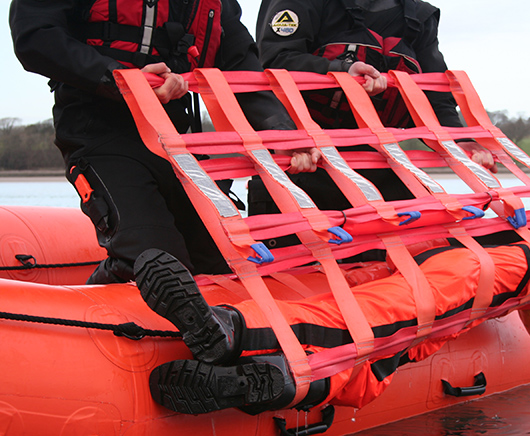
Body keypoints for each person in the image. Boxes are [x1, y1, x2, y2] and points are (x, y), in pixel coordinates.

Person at [9, 0, 319, 285]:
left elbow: (240, 65)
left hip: (175, 140)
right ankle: (83, 317)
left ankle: (224, 334)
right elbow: (35, 36)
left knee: (220, 264)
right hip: (98, 129)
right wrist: (119, 79)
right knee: (157, 262)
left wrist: (280, 131)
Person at [249, 0, 495, 214]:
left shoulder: (420, 16)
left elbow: (434, 93)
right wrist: (342, 71)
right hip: (304, 163)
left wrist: (459, 139)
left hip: (384, 171)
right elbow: (273, 62)